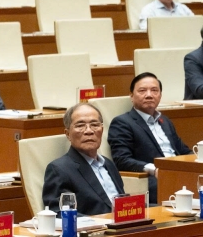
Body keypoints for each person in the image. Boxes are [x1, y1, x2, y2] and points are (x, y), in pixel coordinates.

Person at [107, 72, 189, 203]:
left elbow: (184, 151)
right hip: (153, 180)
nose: (149, 95)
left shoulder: (165, 121)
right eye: (142, 90)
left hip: (179, 175)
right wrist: (154, 169)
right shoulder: (122, 122)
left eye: (154, 90)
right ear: (131, 96)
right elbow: (122, 159)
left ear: (160, 95)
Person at [41, 103, 123, 215]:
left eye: (94, 125)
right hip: (96, 225)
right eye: (80, 125)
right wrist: (97, 222)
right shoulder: (59, 169)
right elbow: (60, 212)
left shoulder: (109, 164)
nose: (89, 131)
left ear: (102, 130)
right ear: (68, 134)